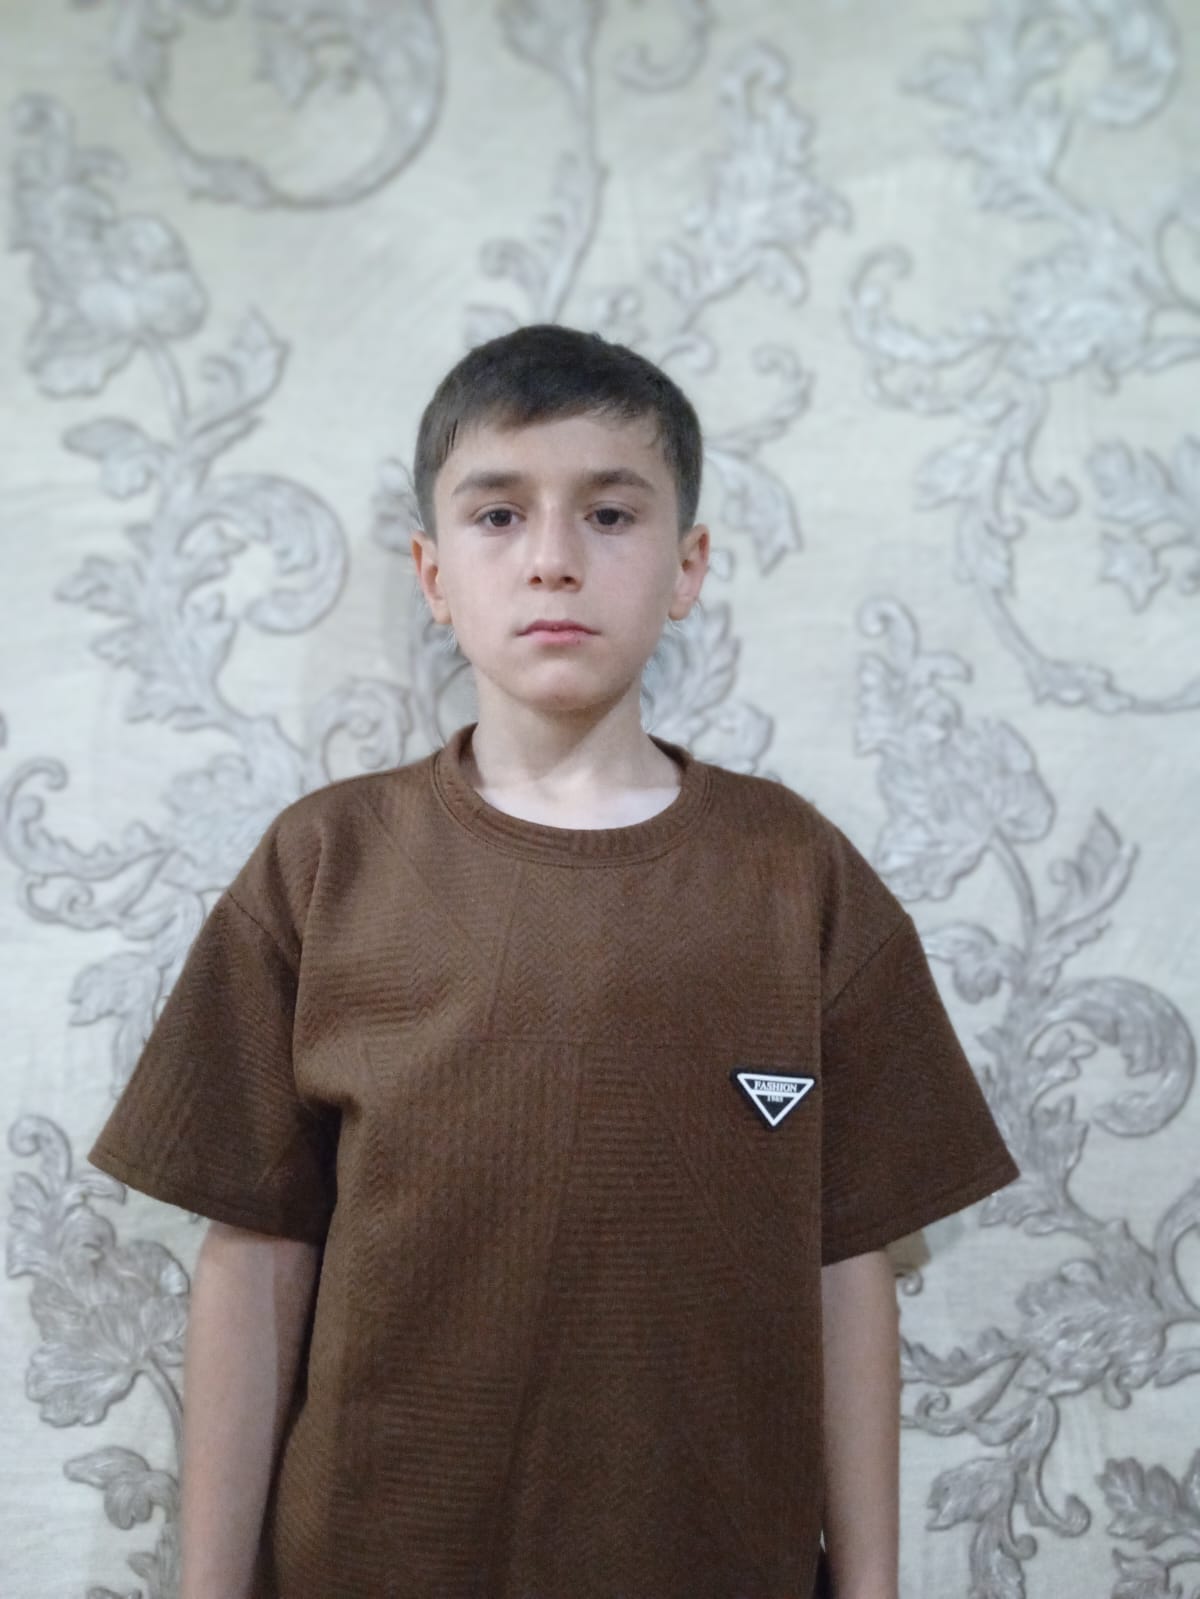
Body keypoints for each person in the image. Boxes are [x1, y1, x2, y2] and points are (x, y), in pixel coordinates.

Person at [88, 323, 1019, 1599]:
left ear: (688, 566)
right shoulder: (325, 863)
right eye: (497, 515)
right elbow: (254, 1257)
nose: (553, 558)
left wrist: (870, 1588)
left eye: (611, 513)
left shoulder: (797, 875)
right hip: (374, 1563)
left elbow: (850, 1263)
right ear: (433, 574)